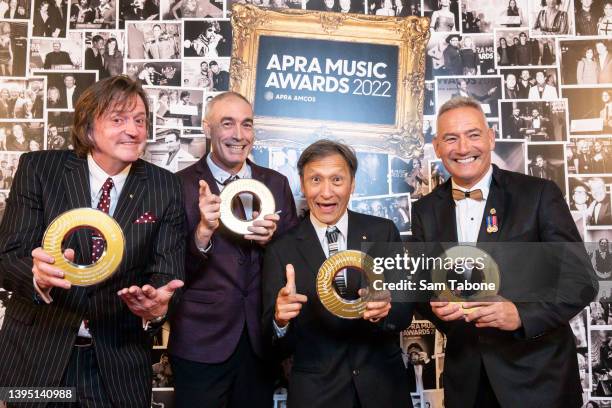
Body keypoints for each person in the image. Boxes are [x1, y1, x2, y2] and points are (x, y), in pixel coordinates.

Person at [0, 76, 186, 406]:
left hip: (117, 365)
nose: (133, 129)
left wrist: (157, 307)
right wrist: (35, 274)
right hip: (36, 356)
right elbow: (8, 256)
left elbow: (165, 273)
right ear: (88, 128)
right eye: (118, 119)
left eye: (139, 120)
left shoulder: (165, 187)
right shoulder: (39, 169)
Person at [411, 96, 597, 408]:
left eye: (473, 134)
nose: (463, 148)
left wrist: (521, 315)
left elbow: (581, 280)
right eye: (450, 138)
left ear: (490, 137)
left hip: (538, 380)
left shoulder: (538, 194)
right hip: (467, 382)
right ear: (437, 147)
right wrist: (439, 305)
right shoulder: (425, 211)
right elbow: (421, 286)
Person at [169, 91, 298, 408]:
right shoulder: (178, 185)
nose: (239, 135)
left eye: (247, 124)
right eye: (227, 123)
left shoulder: (277, 184)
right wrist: (201, 234)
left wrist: (272, 243)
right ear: (207, 128)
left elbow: (295, 261)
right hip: (200, 343)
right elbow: (166, 268)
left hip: (259, 343)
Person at [262, 139, 414, 408]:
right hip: (317, 394)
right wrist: (280, 320)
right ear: (302, 183)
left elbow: (404, 313)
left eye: (337, 179)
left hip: (383, 388)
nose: (326, 192)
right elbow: (271, 342)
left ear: (352, 183)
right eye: (316, 179)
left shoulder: (383, 232)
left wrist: (385, 309)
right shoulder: (280, 249)